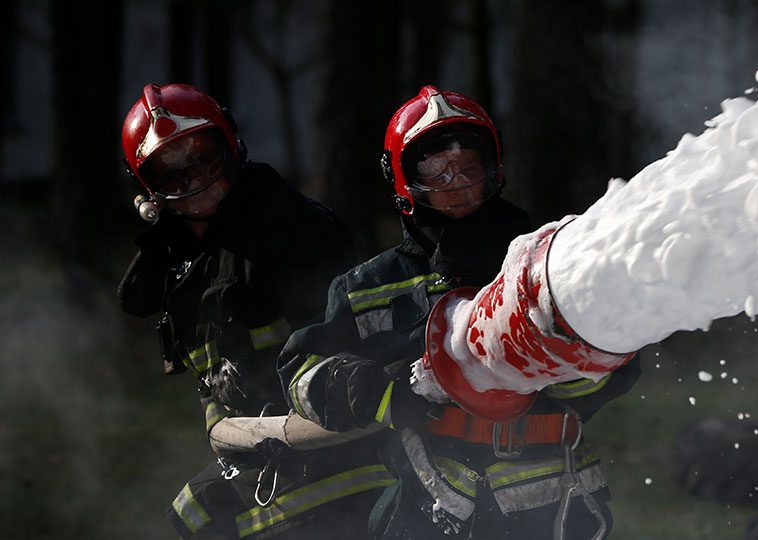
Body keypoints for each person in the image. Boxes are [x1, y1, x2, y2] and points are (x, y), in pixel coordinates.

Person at [278, 85, 641, 539]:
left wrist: (561, 366)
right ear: (403, 181)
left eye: (470, 166)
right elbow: (301, 373)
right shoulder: (366, 286)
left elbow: (620, 361)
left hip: (556, 502)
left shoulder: (544, 261)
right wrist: (374, 390)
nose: (460, 182)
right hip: (427, 503)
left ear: (495, 168)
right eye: (438, 172)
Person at [117, 83, 390, 539]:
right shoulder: (188, 256)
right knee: (188, 518)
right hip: (254, 456)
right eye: (172, 173)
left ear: (232, 148)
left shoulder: (293, 230)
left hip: (336, 465)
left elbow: (342, 353)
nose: (194, 181)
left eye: (203, 158)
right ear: (150, 190)